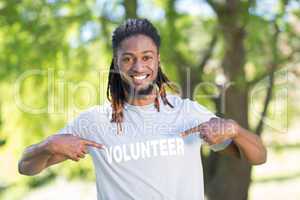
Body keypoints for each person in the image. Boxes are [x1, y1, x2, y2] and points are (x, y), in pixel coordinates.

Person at [18, 18, 267, 200]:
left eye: (147, 57)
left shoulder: (187, 113)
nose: (138, 66)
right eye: (128, 58)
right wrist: (48, 145)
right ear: (116, 62)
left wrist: (234, 130)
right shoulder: (94, 123)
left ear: (157, 60)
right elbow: (26, 167)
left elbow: (258, 156)